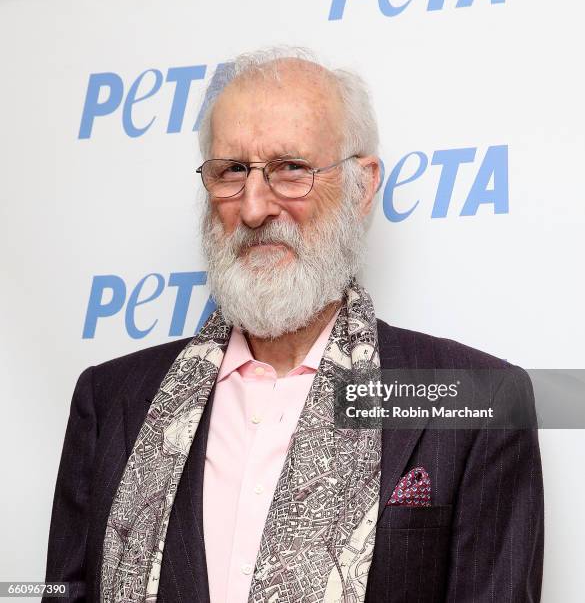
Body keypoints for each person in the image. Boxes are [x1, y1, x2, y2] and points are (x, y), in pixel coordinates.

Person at [43, 47, 544, 603]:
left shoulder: (476, 398)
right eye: (232, 170)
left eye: (290, 169)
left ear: (362, 186)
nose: (254, 207)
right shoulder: (111, 400)